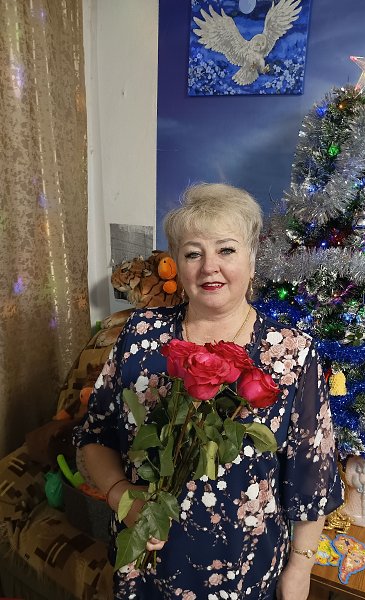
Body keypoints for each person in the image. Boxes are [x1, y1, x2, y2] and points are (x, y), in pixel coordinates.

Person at [74, 182, 344, 600]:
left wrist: (300, 566)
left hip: (246, 572)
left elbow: (313, 474)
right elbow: (95, 436)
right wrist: (120, 495)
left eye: (227, 250)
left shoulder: (291, 353)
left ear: (252, 260)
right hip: (146, 564)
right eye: (193, 253)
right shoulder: (141, 335)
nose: (209, 267)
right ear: (178, 265)